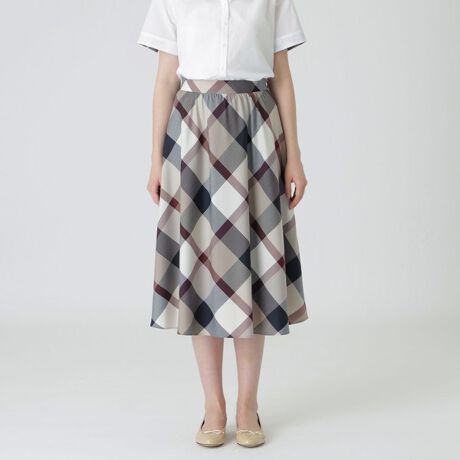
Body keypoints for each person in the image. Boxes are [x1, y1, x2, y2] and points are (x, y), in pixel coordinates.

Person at [137, 0, 309, 448]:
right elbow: (165, 80)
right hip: (194, 136)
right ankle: (213, 405)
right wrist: (156, 161)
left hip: (257, 134)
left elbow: (282, 77)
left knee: (253, 270)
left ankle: (247, 405)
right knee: (202, 273)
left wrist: (294, 156)